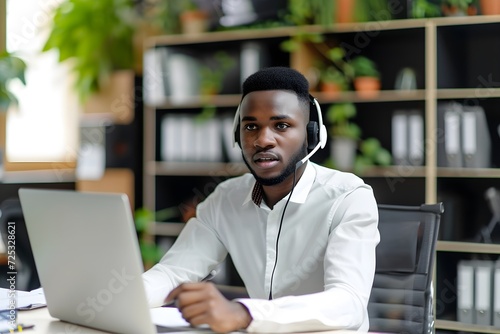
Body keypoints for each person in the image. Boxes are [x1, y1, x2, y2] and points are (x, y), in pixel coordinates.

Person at [143, 66, 380, 333]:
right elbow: (174, 273)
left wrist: (244, 313)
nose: (263, 140)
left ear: (311, 135)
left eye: (281, 125)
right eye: (251, 126)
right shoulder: (225, 198)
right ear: (237, 135)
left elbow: (348, 303)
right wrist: (118, 297)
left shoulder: (349, 198)